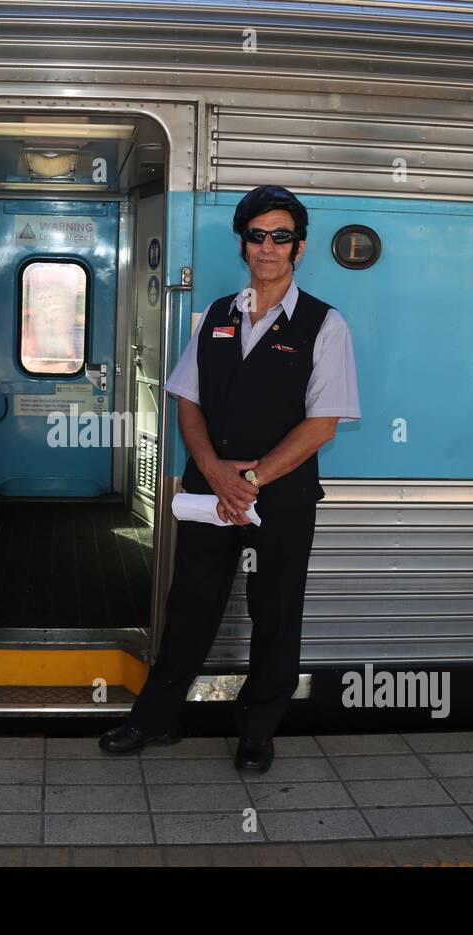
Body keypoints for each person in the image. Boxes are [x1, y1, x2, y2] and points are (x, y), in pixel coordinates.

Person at [98, 185, 360, 772]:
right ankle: (155, 719)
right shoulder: (217, 314)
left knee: (275, 609)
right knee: (189, 605)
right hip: (209, 491)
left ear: (299, 247)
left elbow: (322, 425)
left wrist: (252, 480)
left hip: (282, 498)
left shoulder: (325, 324)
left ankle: (257, 732)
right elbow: (187, 401)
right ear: (243, 245)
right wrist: (216, 473)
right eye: (257, 235)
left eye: (281, 236)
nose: (268, 247)